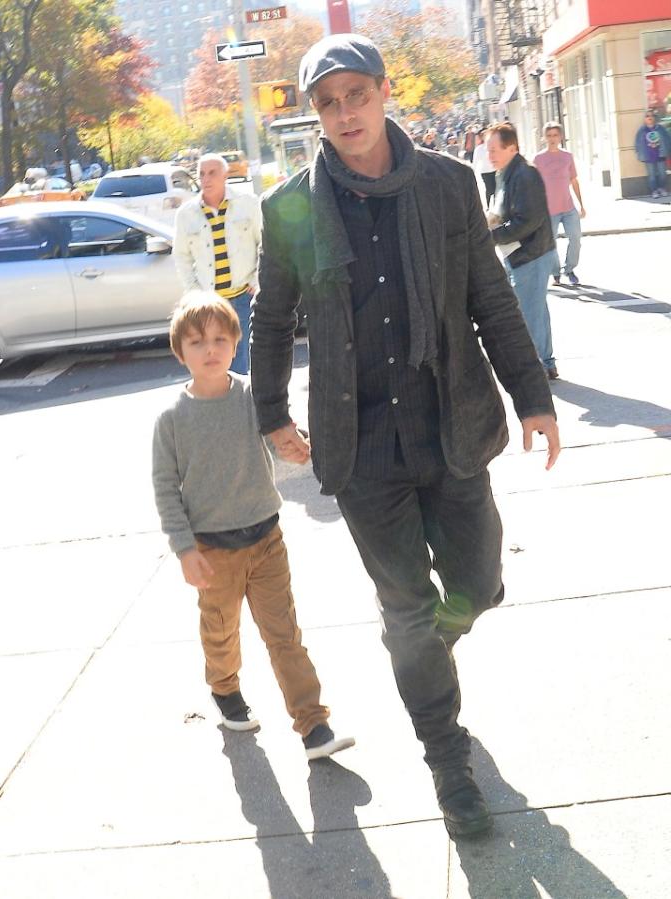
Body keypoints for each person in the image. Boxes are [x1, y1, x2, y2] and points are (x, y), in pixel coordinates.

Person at [250, 34, 560, 838]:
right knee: (408, 610)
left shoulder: (452, 186)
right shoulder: (289, 207)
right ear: (314, 115)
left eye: (356, 95)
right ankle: (447, 757)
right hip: (363, 448)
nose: (344, 114)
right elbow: (273, 316)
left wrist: (534, 394)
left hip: (450, 422)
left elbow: (490, 297)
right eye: (327, 103)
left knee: (480, 583)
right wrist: (272, 412)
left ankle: (427, 647)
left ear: (386, 93)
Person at [152, 291, 355, 761]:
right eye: (198, 341)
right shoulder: (172, 420)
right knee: (221, 632)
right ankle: (225, 690)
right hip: (213, 550)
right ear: (179, 350)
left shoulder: (253, 397)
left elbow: (280, 438)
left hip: (266, 539)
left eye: (221, 339)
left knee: (284, 633)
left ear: (236, 341)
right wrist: (185, 549)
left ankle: (313, 726)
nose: (211, 349)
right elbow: (166, 489)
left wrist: (294, 445)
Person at [173, 154, 262, 374]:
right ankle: (224, 404)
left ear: (225, 175)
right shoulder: (187, 214)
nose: (206, 179)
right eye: (201, 173)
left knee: (243, 357)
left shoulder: (247, 204)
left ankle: (244, 405)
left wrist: (256, 279)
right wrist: (195, 292)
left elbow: (265, 243)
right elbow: (182, 256)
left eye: (212, 173)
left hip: (243, 296)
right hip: (210, 302)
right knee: (216, 358)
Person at [487, 122, 559, 379]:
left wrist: (491, 235)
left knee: (530, 314)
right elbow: (510, 212)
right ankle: (546, 362)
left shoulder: (524, 174)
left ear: (512, 148)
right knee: (536, 310)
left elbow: (528, 220)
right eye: (488, 149)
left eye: (495, 149)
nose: (490, 155)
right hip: (522, 253)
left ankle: (538, 366)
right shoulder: (507, 173)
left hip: (531, 253)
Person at [533, 122, 585, 286]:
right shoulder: (538, 159)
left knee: (576, 239)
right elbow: (534, 184)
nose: (552, 139)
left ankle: (569, 269)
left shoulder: (567, 156)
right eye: (549, 136)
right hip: (549, 210)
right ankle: (555, 273)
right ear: (544, 138)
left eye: (555, 135)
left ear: (560, 137)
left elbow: (574, 180)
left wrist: (581, 205)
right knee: (551, 244)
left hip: (568, 207)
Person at [634, 110, 671, 198]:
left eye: (651, 116)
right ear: (645, 119)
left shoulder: (660, 128)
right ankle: (654, 190)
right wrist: (639, 153)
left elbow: (667, 139)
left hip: (660, 155)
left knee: (663, 174)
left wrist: (667, 150)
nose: (649, 117)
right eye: (647, 116)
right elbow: (637, 143)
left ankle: (661, 188)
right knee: (652, 175)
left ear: (654, 118)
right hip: (648, 156)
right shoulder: (642, 130)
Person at [471, 128, 496, 207]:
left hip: (494, 169)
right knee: (489, 189)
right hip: (485, 171)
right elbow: (475, 161)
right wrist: (473, 172)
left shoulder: (493, 145)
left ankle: (496, 206)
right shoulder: (479, 149)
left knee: (496, 188)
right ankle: (488, 205)